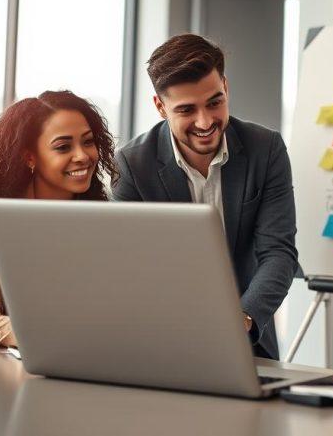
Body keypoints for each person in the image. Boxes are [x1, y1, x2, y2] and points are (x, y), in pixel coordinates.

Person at [112, 34, 298, 360]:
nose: (205, 122)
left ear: (225, 86)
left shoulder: (265, 149)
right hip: (158, 343)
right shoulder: (132, 164)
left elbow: (278, 253)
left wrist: (242, 319)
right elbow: (126, 265)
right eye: (186, 109)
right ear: (160, 107)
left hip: (248, 343)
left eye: (215, 102)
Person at [0, 90, 119, 347]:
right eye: (63, 147)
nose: (83, 156)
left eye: (87, 142)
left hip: (50, 352)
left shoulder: (96, 212)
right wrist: (50, 334)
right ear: (30, 157)